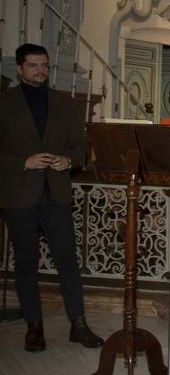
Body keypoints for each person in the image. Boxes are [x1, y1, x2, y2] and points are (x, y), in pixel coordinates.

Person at [0, 43, 104, 352]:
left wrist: (67, 161)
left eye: (44, 65)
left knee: (67, 261)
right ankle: (34, 327)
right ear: (19, 69)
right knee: (27, 262)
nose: (40, 71)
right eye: (33, 66)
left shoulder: (64, 103)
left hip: (56, 193)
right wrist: (23, 162)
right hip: (19, 194)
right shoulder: (4, 103)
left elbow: (80, 145)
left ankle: (78, 324)